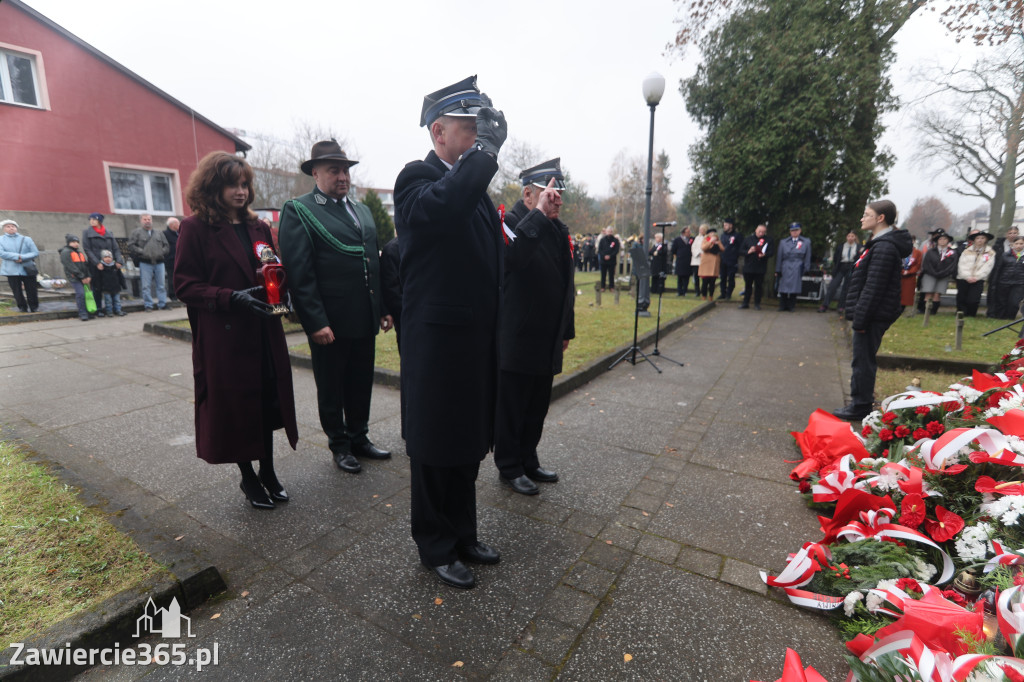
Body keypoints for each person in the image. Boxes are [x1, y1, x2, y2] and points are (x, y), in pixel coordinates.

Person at [394, 75, 506, 589]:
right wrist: (485, 155)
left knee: (466, 444)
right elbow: (444, 207)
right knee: (435, 446)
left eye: (483, 127)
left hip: (473, 339)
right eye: (470, 126)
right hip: (438, 344)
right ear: (439, 132)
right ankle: (435, 544)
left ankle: (463, 533)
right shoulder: (416, 178)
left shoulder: (472, 188)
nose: (480, 135)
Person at [174, 151, 298, 510]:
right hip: (226, 337)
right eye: (232, 185)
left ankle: (268, 471)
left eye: (244, 184)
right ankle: (248, 477)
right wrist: (229, 297)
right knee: (238, 407)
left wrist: (283, 293)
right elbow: (185, 285)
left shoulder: (258, 227)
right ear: (213, 187)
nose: (241, 191)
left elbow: (271, 267)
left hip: (264, 330)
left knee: (267, 403)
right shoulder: (195, 228)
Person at [278, 140, 392, 475]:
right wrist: (315, 321)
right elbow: (300, 273)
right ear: (315, 173)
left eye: (345, 170)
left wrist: (382, 307)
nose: (342, 177)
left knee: (360, 381)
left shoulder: (362, 210)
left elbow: (373, 263)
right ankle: (339, 445)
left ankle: (359, 437)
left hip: (363, 315)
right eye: (333, 171)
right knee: (331, 387)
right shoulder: (300, 210)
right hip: (330, 322)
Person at [494, 160, 575, 497]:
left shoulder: (558, 230)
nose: (556, 200)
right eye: (548, 193)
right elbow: (512, 260)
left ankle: (528, 458)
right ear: (528, 194)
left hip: (547, 335)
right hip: (518, 334)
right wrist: (539, 216)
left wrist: (566, 329)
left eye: (559, 194)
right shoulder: (509, 222)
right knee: (513, 405)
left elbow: (566, 284)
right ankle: (509, 465)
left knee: (537, 405)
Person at [832, 200, 913, 421]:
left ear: (880, 218)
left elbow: (873, 288)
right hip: (870, 314)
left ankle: (860, 405)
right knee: (861, 359)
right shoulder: (878, 244)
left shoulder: (884, 247)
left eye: (867, 214)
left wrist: (860, 320)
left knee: (863, 361)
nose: (862, 218)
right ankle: (860, 401)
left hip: (872, 316)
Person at [82, 213, 124, 316]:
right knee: (97, 287)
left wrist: (119, 261)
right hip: (96, 265)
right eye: (90, 219)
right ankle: (99, 309)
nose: (91, 221)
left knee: (113, 287)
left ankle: (116, 309)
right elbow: (87, 249)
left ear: (99, 221)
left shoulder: (109, 233)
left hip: (110, 265)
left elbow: (115, 249)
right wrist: (97, 262)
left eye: (94, 219)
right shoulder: (87, 233)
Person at [127, 213, 170, 312]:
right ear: (141, 221)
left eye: (149, 219)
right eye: (145, 219)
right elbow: (131, 245)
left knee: (161, 285)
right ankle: (148, 305)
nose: (147, 221)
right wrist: (142, 251)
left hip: (159, 262)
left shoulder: (159, 233)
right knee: (146, 286)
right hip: (145, 262)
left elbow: (166, 245)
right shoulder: (136, 233)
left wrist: (161, 252)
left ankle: (162, 304)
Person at [0, 219, 39, 313]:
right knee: (16, 290)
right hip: (11, 270)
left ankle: (34, 307)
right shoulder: (1, 240)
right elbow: (1, 253)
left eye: (13, 226)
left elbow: (35, 252)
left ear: (16, 228)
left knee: (32, 289)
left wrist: (22, 257)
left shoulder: (26, 239)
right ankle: (22, 307)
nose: (11, 228)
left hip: (27, 268)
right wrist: (17, 256)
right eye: (8, 226)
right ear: (4, 229)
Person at [819, 230, 862, 313]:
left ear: (855, 237)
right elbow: (836, 258)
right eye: (849, 236)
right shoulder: (841, 246)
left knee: (846, 288)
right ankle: (825, 305)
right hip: (841, 267)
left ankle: (841, 306)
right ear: (846, 237)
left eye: (852, 236)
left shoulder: (859, 247)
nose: (850, 238)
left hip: (851, 267)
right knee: (833, 286)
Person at [956, 230, 996, 317]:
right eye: (978, 238)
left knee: (974, 299)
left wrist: (977, 277)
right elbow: (961, 265)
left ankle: (971, 314)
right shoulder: (966, 251)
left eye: (982, 238)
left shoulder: (990, 252)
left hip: (978, 279)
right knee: (962, 297)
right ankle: (961, 314)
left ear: (986, 240)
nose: (980, 240)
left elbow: (988, 267)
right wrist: (967, 276)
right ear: (974, 240)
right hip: (964, 278)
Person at [919, 229, 957, 316]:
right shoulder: (931, 252)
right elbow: (926, 264)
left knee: (937, 294)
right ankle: (925, 311)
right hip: (930, 274)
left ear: (948, 240)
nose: (942, 241)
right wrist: (934, 273)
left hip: (944, 275)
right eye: (940, 239)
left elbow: (952, 265)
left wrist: (943, 273)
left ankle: (933, 312)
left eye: (945, 239)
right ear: (937, 241)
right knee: (928, 293)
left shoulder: (952, 252)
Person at [776, 223, 811, 312]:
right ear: (790, 232)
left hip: (797, 265)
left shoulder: (806, 242)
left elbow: (807, 256)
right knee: (783, 286)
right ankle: (782, 305)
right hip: (786, 265)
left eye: (796, 230)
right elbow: (779, 256)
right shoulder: (783, 242)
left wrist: (806, 268)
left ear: (800, 231)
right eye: (792, 230)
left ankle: (791, 305)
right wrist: (778, 269)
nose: (794, 232)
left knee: (795, 286)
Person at [739, 223, 774, 310]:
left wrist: (765, 254)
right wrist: (748, 251)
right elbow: (741, 251)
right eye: (759, 231)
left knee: (758, 286)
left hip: (760, 267)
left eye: (763, 232)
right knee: (748, 286)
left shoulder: (768, 240)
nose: (761, 233)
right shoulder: (748, 239)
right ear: (756, 230)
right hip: (748, 267)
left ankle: (757, 303)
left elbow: (771, 252)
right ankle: (745, 303)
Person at [988, 226, 1020, 319]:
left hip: (1016, 276)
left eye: (1015, 233)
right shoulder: (999, 245)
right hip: (999, 273)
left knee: (1013, 299)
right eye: (1010, 233)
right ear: (1006, 234)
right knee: (998, 296)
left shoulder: (1021, 245)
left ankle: (1009, 315)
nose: (1012, 235)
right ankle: (996, 314)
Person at [59, 234, 92, 321]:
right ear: (69, 243)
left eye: (77, 242)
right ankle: (82, 313)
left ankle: (88, 311)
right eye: (73, 242)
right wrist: (82, 276)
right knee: (81, 294)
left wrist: (88, 275)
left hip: (84, 277)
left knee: (86, 294)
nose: (76, 244)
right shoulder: (66, 252)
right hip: (75, 277)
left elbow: (85, 265)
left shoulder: (79, 253)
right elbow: (71, 267)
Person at [998, 236, 1024, 319]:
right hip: (1005, 281)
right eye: (1016, 243)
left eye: (1021, 243)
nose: (1019, 246)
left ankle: (1010, 317)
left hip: (1019, 283)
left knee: (1014, 302)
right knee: (1003, 301)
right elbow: (999, 268)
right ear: (1013, 244)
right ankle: (1001, 317)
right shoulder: (1005, 255)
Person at [95, 250, 126, 317]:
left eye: (109, 257)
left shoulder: (115, 267)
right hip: (106, 288)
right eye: (105, 257)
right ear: (102, 258)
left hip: (116, 287)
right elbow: (98, 278)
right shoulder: (101, 268)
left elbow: (120, 276)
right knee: (108, 301)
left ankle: (118, 310)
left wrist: (123, 285)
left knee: (117, 300)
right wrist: (98, 287)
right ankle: (109, 311)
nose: (108, 259)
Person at [718, 218, 742, 300]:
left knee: (731, 277)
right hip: (723, 259)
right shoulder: (723, 235)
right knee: (723, 277)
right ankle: (723, 293)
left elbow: (740, 247)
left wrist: (735, 254)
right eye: (724, 225)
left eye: (726, 225)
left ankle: (729, 293)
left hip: (732, 260)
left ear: (731, 225)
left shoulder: (737, 235)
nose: (724, 227)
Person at [699, 228, 721, 300]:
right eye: (711, 233)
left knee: (712, 282)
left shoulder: (718, 241)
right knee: (705, 281)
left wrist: (718, 243)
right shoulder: (705, 240)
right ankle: (704, 295)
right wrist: (710, 241)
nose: (713, 234)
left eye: (714, 233)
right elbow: (703, 248)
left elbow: (722, 249)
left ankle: (711, 295)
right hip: (706, 264)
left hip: (714, 264)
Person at [900, 241, 923, 312]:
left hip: (910, 276)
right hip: (899, 275)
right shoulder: (899, 251)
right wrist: (902, 271)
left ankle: (902, 308)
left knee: (906, 294)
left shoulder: (918, 253)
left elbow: (918, 264)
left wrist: (909, 272)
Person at [670, 226, 692, 296]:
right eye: (687, 232)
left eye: (689, 232)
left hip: (688, 261)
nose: (689, 233)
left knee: (687, 277)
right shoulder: (677, 240)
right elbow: (673, 250)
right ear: (683, 233)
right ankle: (679, 291)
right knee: (680, 277)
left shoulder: (691, 240)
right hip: (680, 260)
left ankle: (685, 291)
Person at [598, 226, 620, 291]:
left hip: (612, 261)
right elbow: (600, 249)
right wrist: (604, 256)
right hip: (603, 260)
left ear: (612, 232)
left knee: (611, 275)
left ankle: (611, 287)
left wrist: (610, 256)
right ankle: (603, 286)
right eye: (608, 231)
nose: (609, 233)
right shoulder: (602, 240)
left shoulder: (615, 240)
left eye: (611, 232)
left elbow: (616, 250)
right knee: (603, 275)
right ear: (606, 232)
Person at [164, 217, 180, 301]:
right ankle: (173, 295)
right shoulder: (165, 234)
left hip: (179, 259)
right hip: (171, 260)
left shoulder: (179, 233)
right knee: (172, 278)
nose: (179, 225)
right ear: (172, 225)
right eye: (178, 223)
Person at [690, 224, 707, 294]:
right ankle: (697, 290)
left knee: (704, 276)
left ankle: (703, 290)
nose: (700, 231)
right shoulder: (697, 238)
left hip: (704, 259)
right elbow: (693, 247)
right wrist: (698, 253)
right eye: (700, 229)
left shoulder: (707, 238)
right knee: (696, 276)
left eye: (702, 230)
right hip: (696, 259)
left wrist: (702, 253)